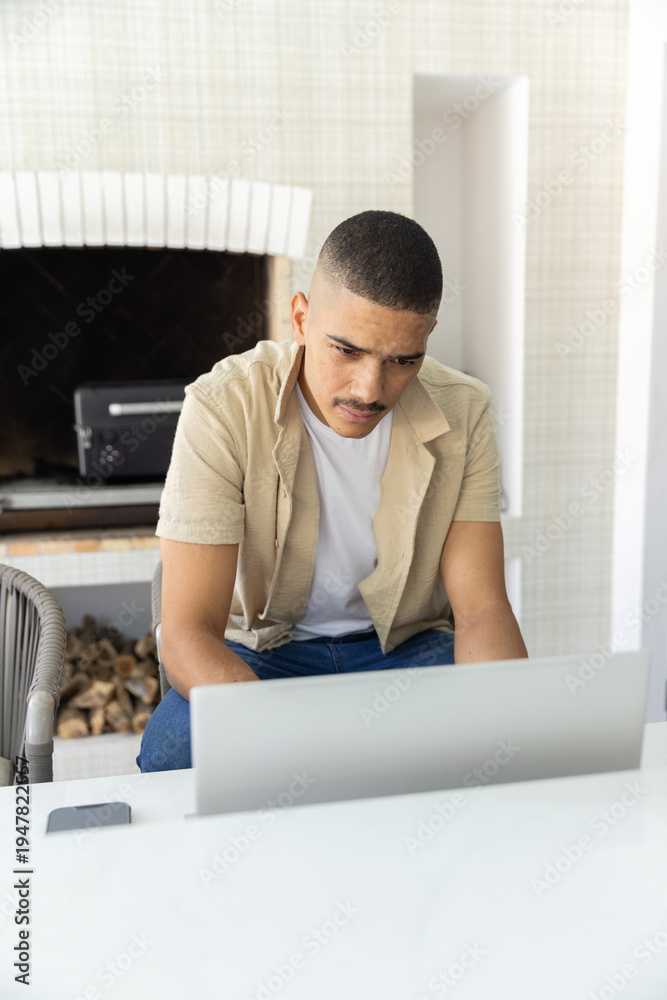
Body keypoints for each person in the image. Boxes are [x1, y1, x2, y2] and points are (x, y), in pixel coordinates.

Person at [137, 210, 528, 772]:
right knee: (177, 747)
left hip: (404, 651)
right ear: (300, 318)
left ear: (426, 341)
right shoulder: (222, 406)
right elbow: (185, 634)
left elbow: (483, 613)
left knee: (494, 736)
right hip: (268, 657)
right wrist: (294, 739)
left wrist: (519, 727)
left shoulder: (465, 411)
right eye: (346, 350)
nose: (370, 389)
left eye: (403, 360)